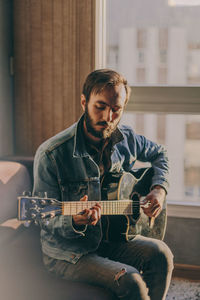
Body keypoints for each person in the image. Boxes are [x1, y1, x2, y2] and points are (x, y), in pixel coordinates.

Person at [33, 69, 173, 300]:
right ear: (83, 102)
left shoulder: (126, 138)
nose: (108, 116)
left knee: (161, 254)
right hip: (70, 252)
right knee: (130, 280)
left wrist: (159, 189)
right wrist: (74, 220)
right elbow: (43, 214)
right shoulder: (52, 154)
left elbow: (161, 154)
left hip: (112, 237)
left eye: (116, 109)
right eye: (100, 106)